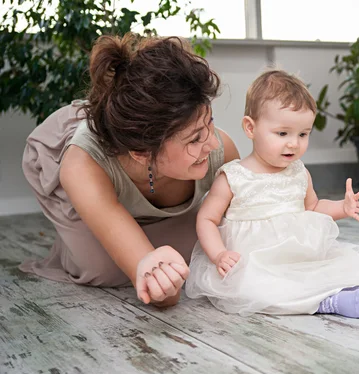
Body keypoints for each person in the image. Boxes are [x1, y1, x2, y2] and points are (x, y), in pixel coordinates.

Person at [20, 33, 240, 307]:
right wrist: (156, 274)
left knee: (214, 242)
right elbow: (160, 292)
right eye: (195, 139)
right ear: (142, 153)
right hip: (83, 167)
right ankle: (85, 228)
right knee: (99, 268)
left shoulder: (220, 150)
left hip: (138, 140)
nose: (212, 142)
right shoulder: (82, 165)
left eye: (210, 122)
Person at [185, 70, 359, 318]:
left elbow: (312, 207)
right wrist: (219, 254)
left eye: (303, 134)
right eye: (283, 133)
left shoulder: (299, 172)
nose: (294, 143)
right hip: (253, 261)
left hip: (296, 255)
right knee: (256, 288)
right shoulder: (233, 176)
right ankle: (326, 302)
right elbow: (207, 219)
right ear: (250, 127)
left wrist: (341, 208)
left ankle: (333, 289)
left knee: (331, 265)